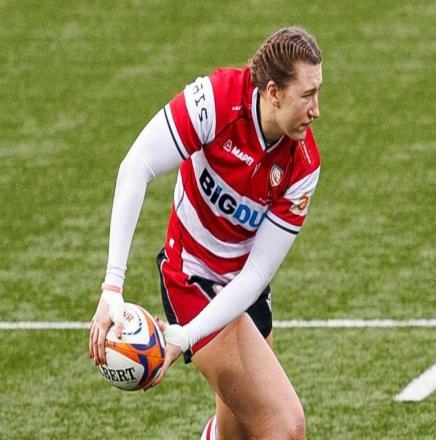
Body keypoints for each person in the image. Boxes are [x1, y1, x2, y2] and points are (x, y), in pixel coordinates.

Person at [89, 26, 322, 440]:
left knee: (240, 432)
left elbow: (256, 274)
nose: (316, 109)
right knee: (285, 426)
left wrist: (185, 337)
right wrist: (112, 287)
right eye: (307, 95)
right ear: (273, 92)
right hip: (191, 278)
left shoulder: (303, 164)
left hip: (245, 290)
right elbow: (137, 166)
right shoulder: (215, 100)